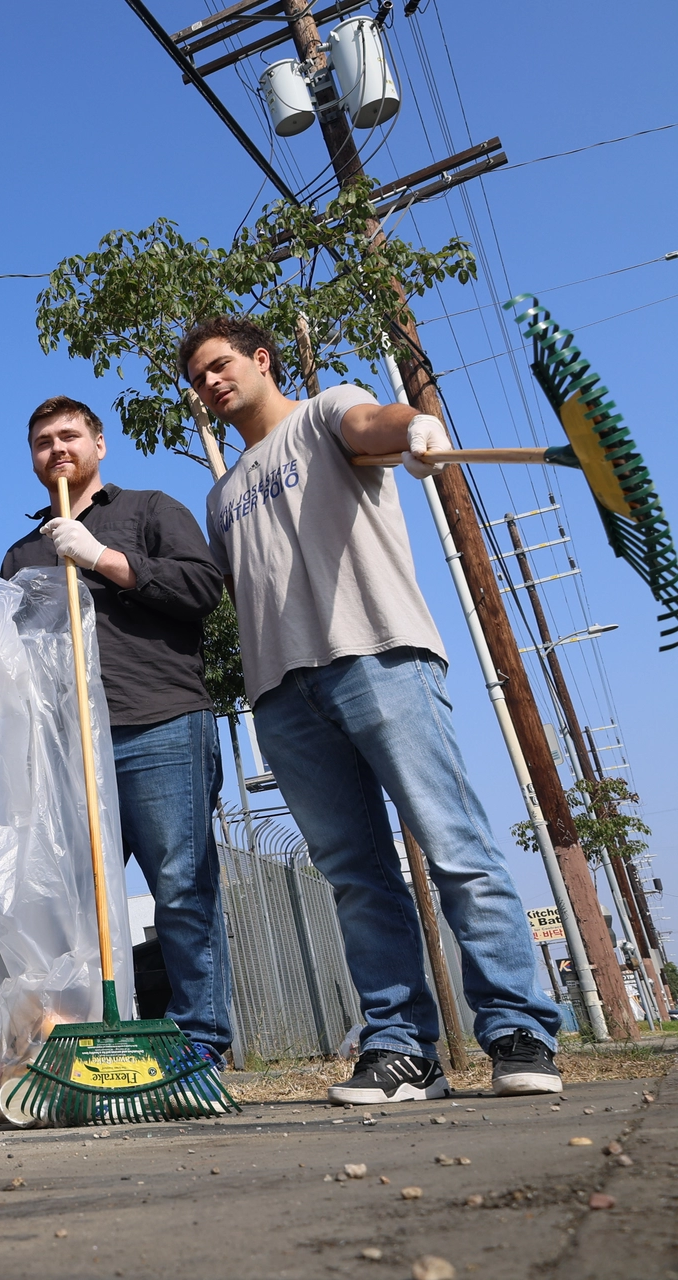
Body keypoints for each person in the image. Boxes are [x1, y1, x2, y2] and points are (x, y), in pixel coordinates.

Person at [183, 315, 563, 1102]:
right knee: (357, 876)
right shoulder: (220, 496)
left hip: (380, 657)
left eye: (220, 366)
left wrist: (416, 425)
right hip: (281, 695)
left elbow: (374, 424)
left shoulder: (328, 411)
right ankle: (401, 1049)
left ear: (260, 360)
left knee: (454, 846)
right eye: (197, 379)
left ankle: (519, 1031)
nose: (211, 383)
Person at [0, 395, 233, 1071]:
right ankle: (90, 1041)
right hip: (70, 751)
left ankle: (200, 1044)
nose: (56, 449)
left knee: (183, 889)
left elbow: (201, 590)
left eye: (69, 436)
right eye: (42, 442)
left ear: (99, 445)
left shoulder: (151, 510)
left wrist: (102, 557)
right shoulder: (22, 553)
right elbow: (16, 656)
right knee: (75, 908)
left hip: (158, 724)